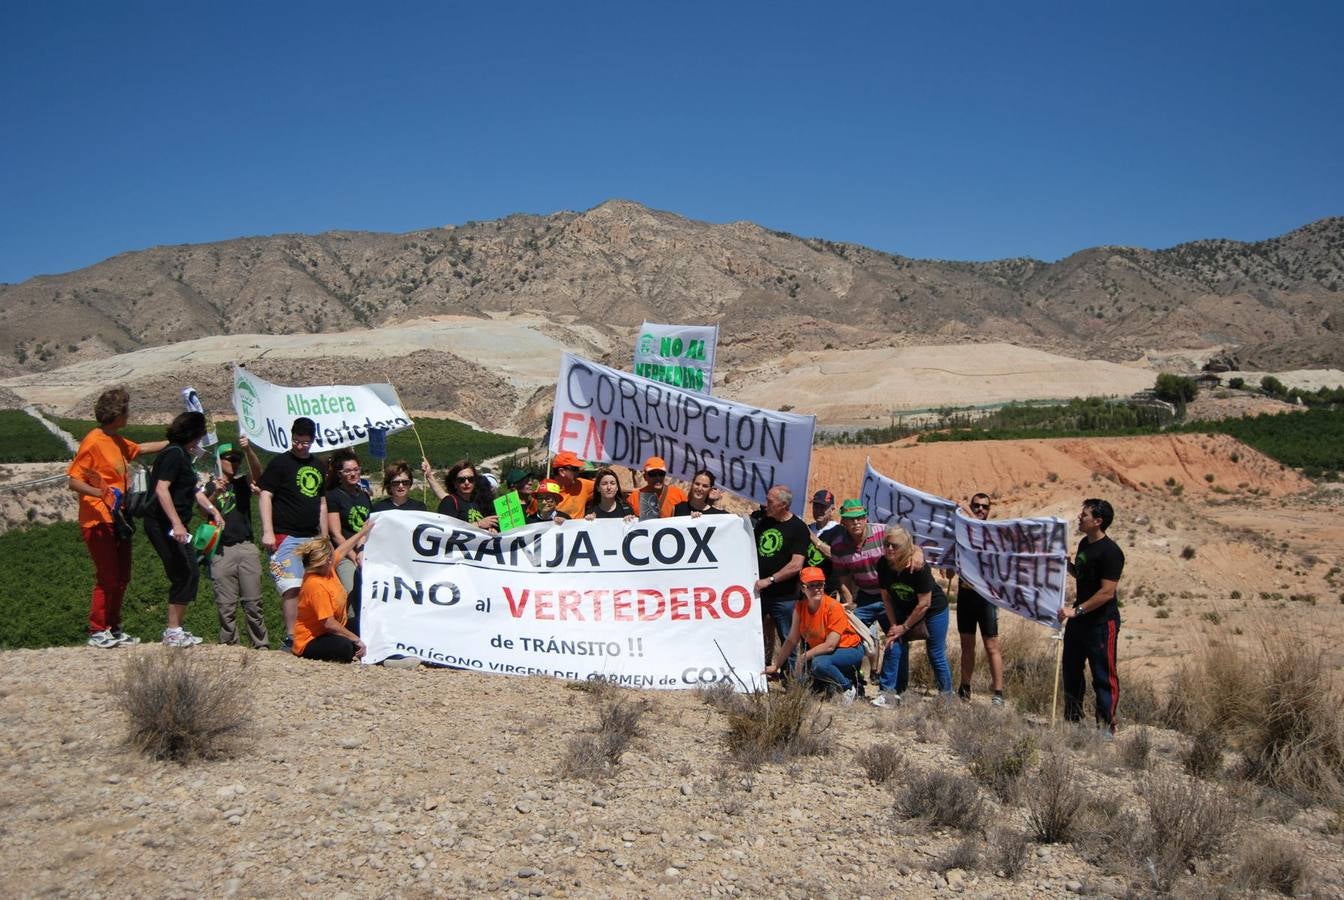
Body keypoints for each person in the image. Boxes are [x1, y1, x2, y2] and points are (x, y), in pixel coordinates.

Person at [67, 387, 168, 648]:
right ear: (117, 413)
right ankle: (97, 629)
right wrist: (100, 493)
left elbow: (140, 449)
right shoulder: (93, 442)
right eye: (126, 410)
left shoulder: (116, 440)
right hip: (98, 519)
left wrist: (175, 442)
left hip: (119, 517)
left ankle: (113, 627)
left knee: (122, 576)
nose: (128, 415)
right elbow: (74, 481)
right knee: (108, 575)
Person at [145, 411, 224, 647]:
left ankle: (177, 627)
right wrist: (176, 523)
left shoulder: (183, 456)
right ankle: (172, 630)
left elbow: (193, 490)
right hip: (164, 524)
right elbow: (162, 489)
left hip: (175, 523)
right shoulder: (174, 454)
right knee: (184, 571)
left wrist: (212, 509)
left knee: (189, 570)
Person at [259, 416, 328, 652]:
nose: (301, 446)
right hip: (285, 534)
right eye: (297, 441)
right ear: (292, 438)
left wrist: (324, 537)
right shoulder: (280, 463)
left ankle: (312, 632)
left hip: (312, 535)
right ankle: (291, 635)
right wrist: (268, 531)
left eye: (306, 442)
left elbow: (321, 502)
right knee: (291, 585)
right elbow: (265, 495)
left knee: (315, 587)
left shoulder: (319, 466)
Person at [1059, 498, 1125, 734]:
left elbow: (1106, 593)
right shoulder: (1085, 543)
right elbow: (1083, 575)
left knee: (1103, 676)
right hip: (1080, 620)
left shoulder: (1111, 553)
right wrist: (1068, 566)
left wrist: (1075, 611)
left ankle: (1106, 726)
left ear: (1098, 521)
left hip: (1100, 623)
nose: (1080, 517)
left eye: (1084, 515)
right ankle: (1073, 719)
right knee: (1071, 669)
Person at [873, 524, 953, 705]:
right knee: (894, 643)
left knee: (935, 652)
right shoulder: (883, 564)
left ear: (906, 548)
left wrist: (904, 627)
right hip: (904, 608)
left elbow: (925, 604)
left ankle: (947, 696)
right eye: (887, 544)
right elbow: (886, 597)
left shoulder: (919, 569)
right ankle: (889, 693)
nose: (889, 548)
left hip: (933, 610)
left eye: (895, 545)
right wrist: (895, 626)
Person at [204, 437, 268, 648]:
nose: (234, 462)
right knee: (226, 605)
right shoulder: (209, 486)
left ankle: (261, 645)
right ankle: (229, 645)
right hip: (221, 548)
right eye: (228, 458)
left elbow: (259, 474)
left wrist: (248, 451)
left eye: (236, 458)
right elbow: (203, 510)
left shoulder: (242, 483)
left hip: (245, 546)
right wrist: (215, 494)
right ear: (219, 460)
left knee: (253, 603)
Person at [764, 567, 865, 701]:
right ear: (803, 588)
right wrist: (776, 666)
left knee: (819, 664)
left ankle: (848, 688)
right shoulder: (800, 608)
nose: (817, 588)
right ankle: (838, 683)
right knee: (808, 685)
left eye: (820, 584)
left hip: (849, 649)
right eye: (812, 585)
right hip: (823, 652)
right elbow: (791, 640)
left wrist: (804, 657)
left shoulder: (833, 607)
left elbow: (830, 645)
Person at [292, 519, 375, 663]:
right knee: (345, 648)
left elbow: (342, 550)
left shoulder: (327, 569)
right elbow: (328, 623)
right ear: (326, 561)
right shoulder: (315, 585)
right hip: (312, 639)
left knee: (366, 624)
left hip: (333, 629)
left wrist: (363, 532)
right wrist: (355, 639)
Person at [953, 492, 1005, 706]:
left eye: (984, 506)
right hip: (965, 594)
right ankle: (965, 687)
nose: (980, 509)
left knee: (991, 645)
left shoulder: (991, 532)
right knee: (967, 645)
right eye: (976, 506)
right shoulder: (962, 534)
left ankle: (998, 692)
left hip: (986, 596)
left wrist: (964, 509)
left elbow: (982, 534)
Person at [753, 485, 811, 645]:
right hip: (759, 594)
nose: (766, 504)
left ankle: (791, 671)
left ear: (783, 505)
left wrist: (770, 580)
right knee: (756, 636)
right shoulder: (763, 523)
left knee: (788, 640)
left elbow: (796, 564)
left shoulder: (798, 528)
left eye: (770, 502)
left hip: (784, 598)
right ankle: (765, 668)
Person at [324, 449, 372, 595]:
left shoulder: (364, 495)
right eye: (348, 471)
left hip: (364, 550)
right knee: (351, 590)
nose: (353, 474)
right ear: (340, 474)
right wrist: (353, 556)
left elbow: (367, 525)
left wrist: (362, 552)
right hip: (344, 553)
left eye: (356, 470)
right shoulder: (332, 496)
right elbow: (336, 533)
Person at [432, 459, 500, 532]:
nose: (467, 482)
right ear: (454, 483)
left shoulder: (478, 502)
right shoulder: (449, 502)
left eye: (471, 479)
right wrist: (478, 524)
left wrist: (490, 530)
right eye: (461, 480)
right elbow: (446, 530)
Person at [804, 489, 845, 597]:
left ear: (832, 510)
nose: (819, 511)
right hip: (806, 588)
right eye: (816, 507)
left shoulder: (839, 530)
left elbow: (835, 555)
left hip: (827, 590)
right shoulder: (807, 528)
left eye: (823, 507)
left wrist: (814, 539)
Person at [628, 456, 688, 520]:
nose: (658, 478)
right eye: (652, 474)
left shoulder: (679, 495)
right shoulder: (635, 497)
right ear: (645, 477)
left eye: (661, 473)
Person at [551, 451, 593, 520]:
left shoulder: (583, 485)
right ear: (562, 472)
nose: (578, 472)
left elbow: (609, 487)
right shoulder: (546, 491)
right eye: (575, 469)